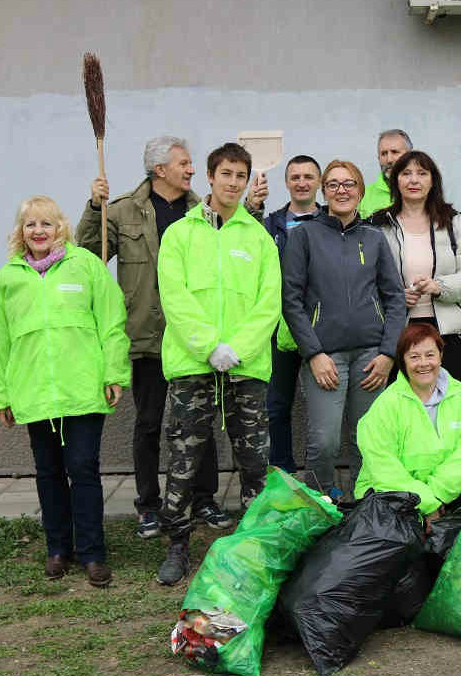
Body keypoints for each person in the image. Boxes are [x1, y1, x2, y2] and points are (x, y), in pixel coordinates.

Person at [77, 136, 231, 539]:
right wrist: (95, 209)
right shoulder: (124, 210)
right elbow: (88, 252)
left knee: (200, 421)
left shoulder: (203, 212)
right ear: (160, 169)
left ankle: (205, 499)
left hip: (192, 335)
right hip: (146, 333)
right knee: (148, 423)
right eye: (184, 163)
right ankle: (149, 505)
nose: (192, 169)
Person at [154, 143, 281, 584]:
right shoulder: (180, 234)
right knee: (185, 458)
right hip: (193, 364)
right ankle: (176, 544)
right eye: (225, 174)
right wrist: (209, 346)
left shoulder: (258, 237)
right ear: (210, 176)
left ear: (247, 181)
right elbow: (174, 297)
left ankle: (254, 549)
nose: (232, 183)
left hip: (245, 367)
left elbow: (269, 303)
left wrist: (237, 348)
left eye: (240, 176)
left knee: (254, 461)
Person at [0, 196, 130, 587]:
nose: (38, 231)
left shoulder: (85, 266)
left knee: (83, 470)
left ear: (60, 228)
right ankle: (57, 549)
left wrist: (114, 373)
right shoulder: (9, 277)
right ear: (21, 231)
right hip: (34, 394)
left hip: (82, 389)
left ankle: (92, 553)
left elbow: (111, 322)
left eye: (46, 224)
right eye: (30, 224)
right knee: (48, 472)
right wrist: (1, 394)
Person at [282, 159, 406, 500]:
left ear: (360, 191)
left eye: (349, 184)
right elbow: (291, 301)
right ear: (324, 191)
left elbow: (395, 299)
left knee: (367, 439)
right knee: (325, 441)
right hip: (326, 357)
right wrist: (314, 353)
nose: (342, 190)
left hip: (371, 357)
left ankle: (368, 506)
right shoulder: (304, 236)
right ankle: (323, 503)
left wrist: (387, 354)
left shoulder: (375, 239)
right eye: (334, 184)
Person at [354, 323, 461, 529]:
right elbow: (384, 467)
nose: (423, 363)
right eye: (414, 357)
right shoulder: (386, 405)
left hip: (444, 489)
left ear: (440, 356)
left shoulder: (458, 394)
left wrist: (438, 493)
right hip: (398, 492)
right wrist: (426, 503)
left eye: (430, 355)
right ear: (403, 360)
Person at [370, 150, 461, 381]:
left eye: (422, 173)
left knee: (447, 407)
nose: (413, 180)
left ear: (433, 181)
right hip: (395, 331)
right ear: (396, 181)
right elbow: (365, 280)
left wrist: (439, 286)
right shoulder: (379, 225)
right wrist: (394, 296)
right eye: (406, 173)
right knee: (402, 408)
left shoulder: (453, 221)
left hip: (449, 333)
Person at [261, 155, 323, 473]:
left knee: (322, 407)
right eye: (295, 177)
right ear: (286, 183)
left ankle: (318, 474)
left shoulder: (331, 221)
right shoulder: (270, 225)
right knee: (277, 404)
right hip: (280, 328)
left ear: (319, 182)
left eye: (308, 177)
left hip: (322, 328)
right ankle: (281, 470)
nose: (301, 182)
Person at [358, 129, 411, 218]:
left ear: (410, 155)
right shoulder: (362, 196)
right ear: (378, 158)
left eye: (394, 152)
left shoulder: (423, 192)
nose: (389, 160)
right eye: (384, 154)